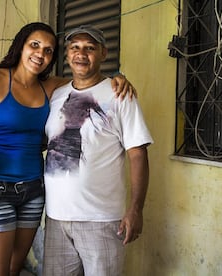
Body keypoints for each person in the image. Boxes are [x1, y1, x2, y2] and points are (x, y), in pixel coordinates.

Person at [0, 22, 134, 276]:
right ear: (21, 46)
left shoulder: (50, 88)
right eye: (35, 45)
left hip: (33, 191)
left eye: (48, 50)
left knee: (14, 269)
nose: (40, 54)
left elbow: (87, 78)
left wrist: (119, 76)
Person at [43, 25, 153, 276]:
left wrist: (136, 209)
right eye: (75, 48)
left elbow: (138, 154)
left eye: (89, 48)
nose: (81, 54)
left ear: (103, 53)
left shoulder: (120, 95)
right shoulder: (57, 95)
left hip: (100, 219)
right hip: (56, 218)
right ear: (67, 55)